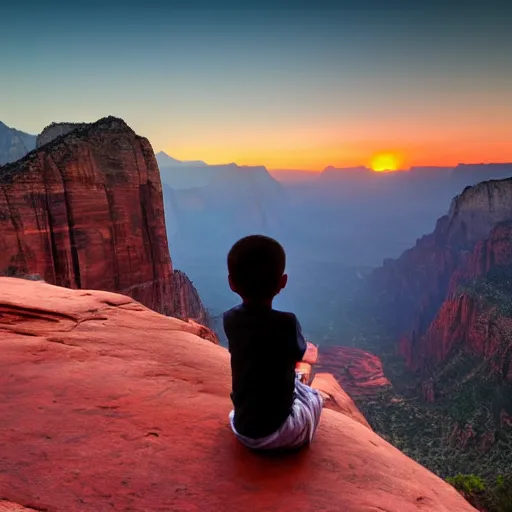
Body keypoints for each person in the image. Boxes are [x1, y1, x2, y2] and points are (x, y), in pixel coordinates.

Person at [223, 234, 323, 451]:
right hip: (279, 433)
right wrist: (309, 351)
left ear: (231, 282)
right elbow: (303, 354)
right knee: (315, 397)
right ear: (282, 282)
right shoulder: (286, 323)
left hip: (241, 426)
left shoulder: (230, 319)